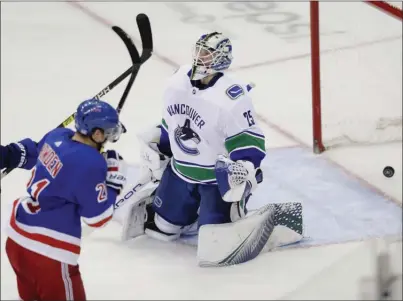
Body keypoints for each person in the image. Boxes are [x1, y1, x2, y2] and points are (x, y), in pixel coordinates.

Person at [137, 31, 266, 242]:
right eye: (198, 51)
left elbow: (249, 141)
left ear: (220, 58)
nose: (199, 56)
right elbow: (171, 122)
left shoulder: (231, 98)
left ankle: (234, 206)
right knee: (162, 228)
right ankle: (186, 214)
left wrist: (245, 167)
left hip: (214, 180)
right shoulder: (176, 83)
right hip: (180, 172)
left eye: (206, 53)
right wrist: (160, 147)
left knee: (213, 236)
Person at [4, 98, 127, 301]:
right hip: (48, 254)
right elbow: (98, 218)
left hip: (16, 241)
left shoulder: (57, 135)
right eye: (108, 132)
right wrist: (114, 182)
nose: (110, 137)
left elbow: (49, 158)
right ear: (97, 134)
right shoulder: (90, 163)